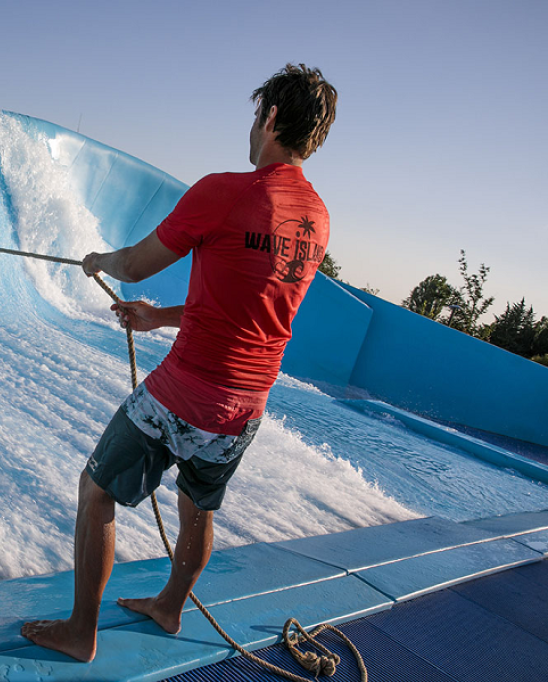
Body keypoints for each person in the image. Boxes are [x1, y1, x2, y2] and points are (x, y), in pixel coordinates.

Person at [21, 64, 337, 662]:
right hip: (245, 409)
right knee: (198, 507)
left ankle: (80, 631)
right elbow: (246, 307)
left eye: (255, 115)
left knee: (95, 491)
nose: (251, 127)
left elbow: (137, 262)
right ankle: (170, 606)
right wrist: (156, 318)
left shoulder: (226, 190)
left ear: (270, 115)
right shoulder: (317, 220)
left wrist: (99, 261)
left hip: (185, 393)